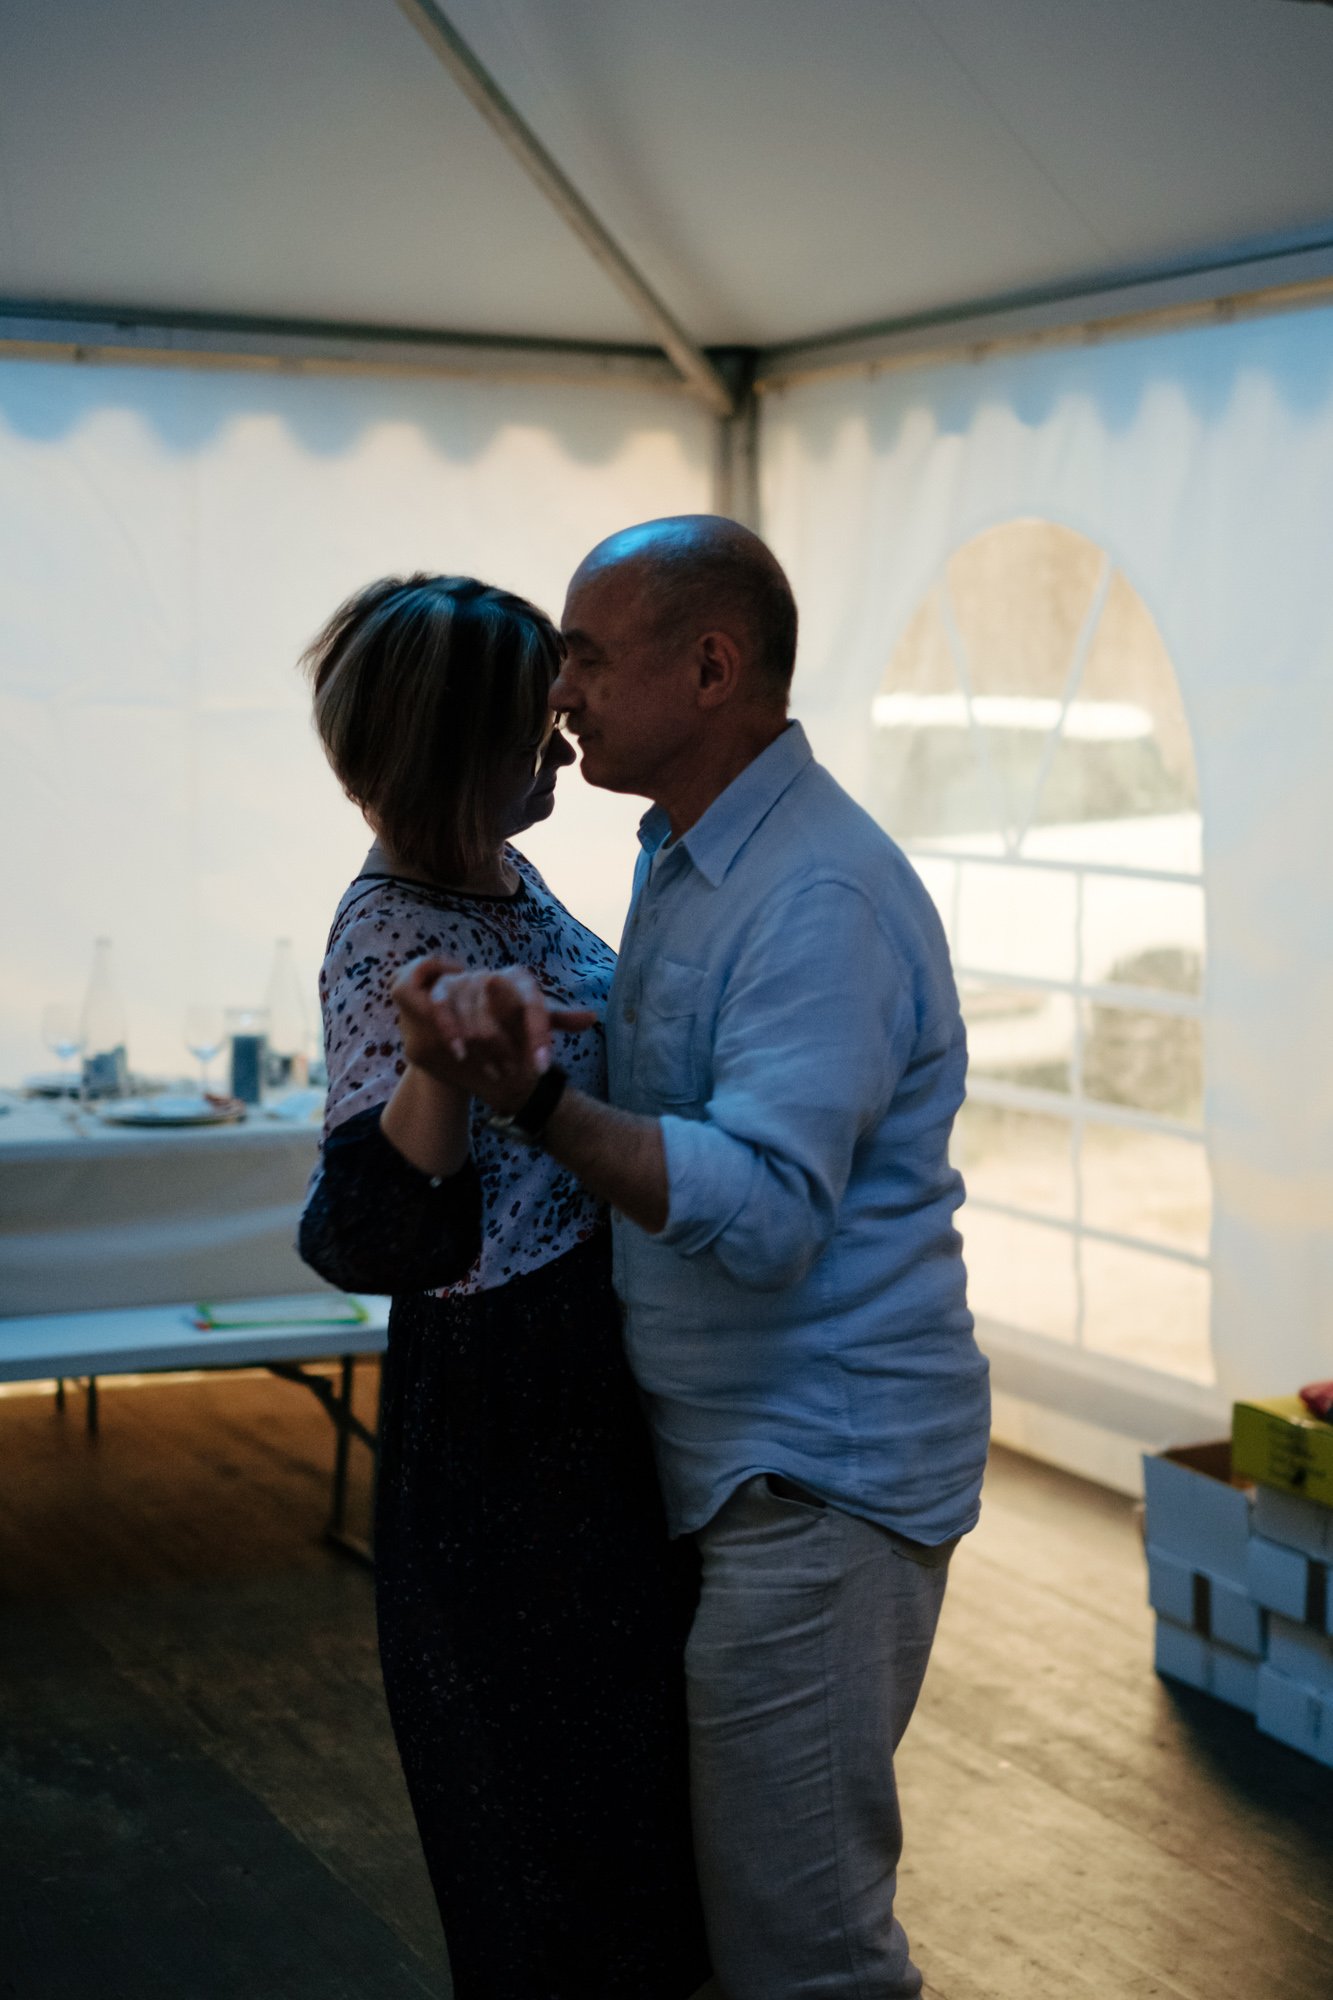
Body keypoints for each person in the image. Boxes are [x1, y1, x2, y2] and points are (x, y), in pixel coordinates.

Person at [403, 517, 992, 2000]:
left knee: (801, 1953)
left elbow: (776, 1203)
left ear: (713, 666)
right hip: (740, 1469)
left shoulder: (814, 893)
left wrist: (534, 1100)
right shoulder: (690, 852)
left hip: (817, 1478)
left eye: (589, 655)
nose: (562, 689)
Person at [294, 572, 710, 2000]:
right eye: (538, 715)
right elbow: (375, 1239)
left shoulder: (499, 874)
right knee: (546, 1852)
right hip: (503, 1433)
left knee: (630, 1829)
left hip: (591, 1386)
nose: (565, 734)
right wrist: (438, 1071)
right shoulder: (390, 933)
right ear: (456, 747)